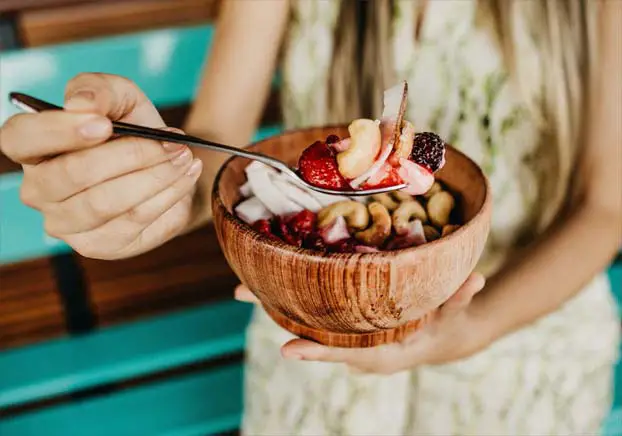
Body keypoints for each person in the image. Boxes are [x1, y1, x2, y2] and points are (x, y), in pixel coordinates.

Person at [1, 0, 620, 434]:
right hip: (316, 322)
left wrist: (466, 329)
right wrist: (149, 185)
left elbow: (606, 208)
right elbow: (215, 146)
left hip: (517, 334)